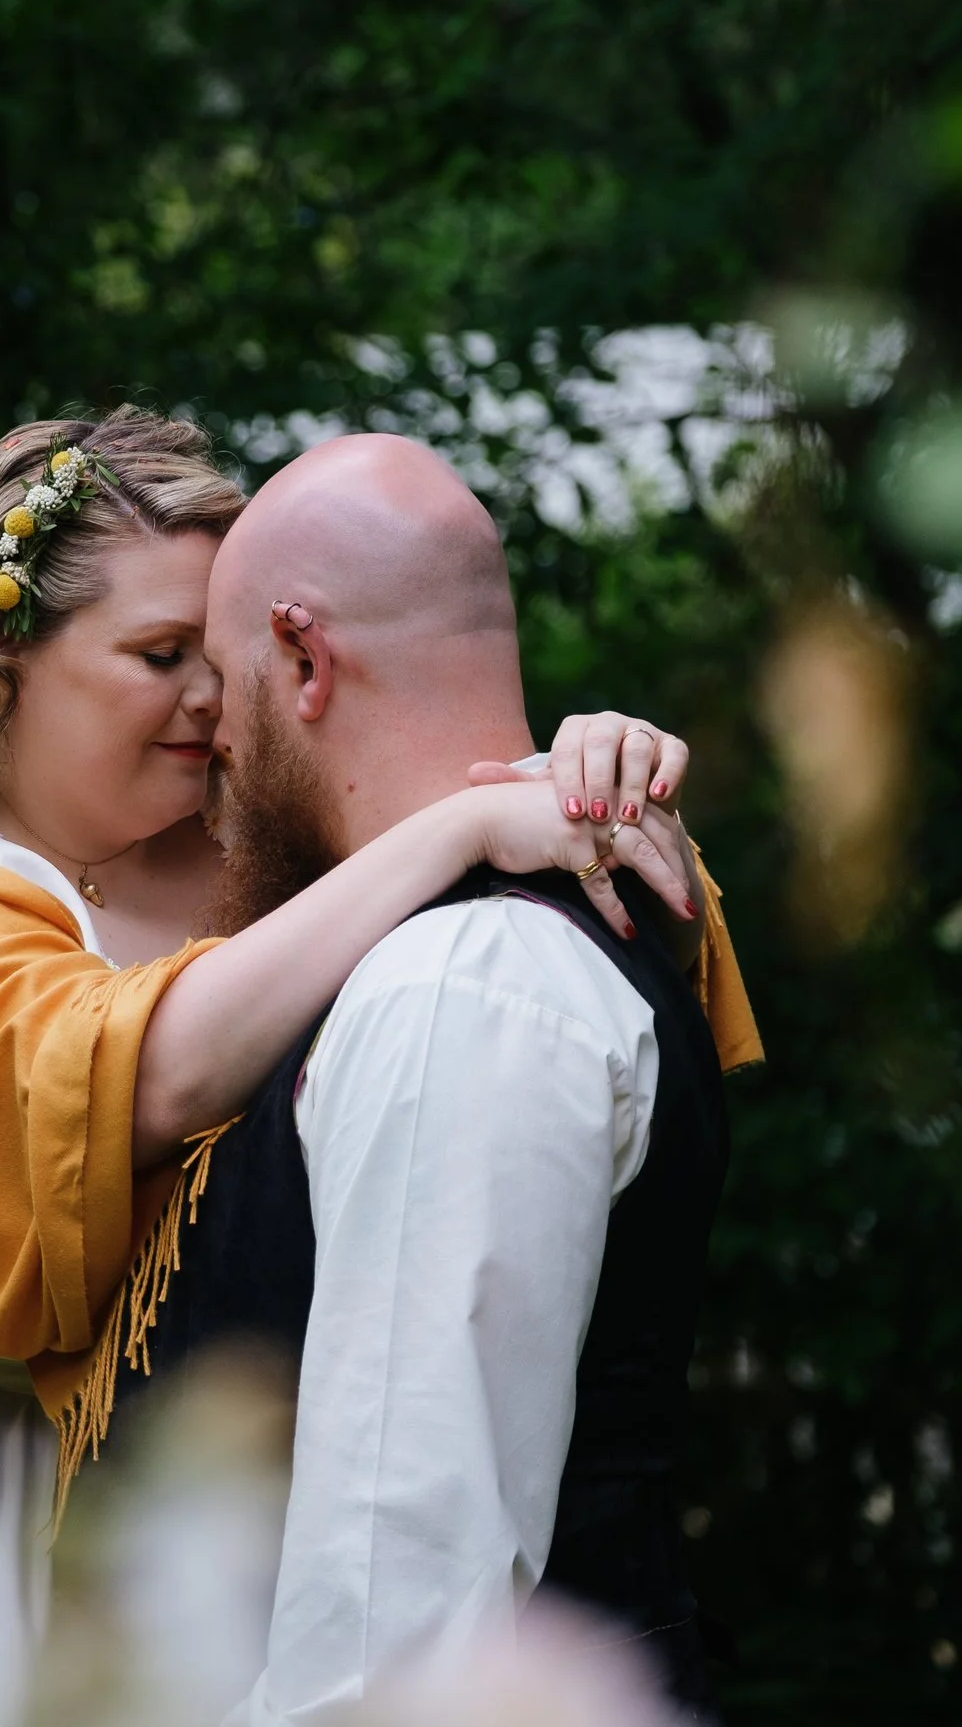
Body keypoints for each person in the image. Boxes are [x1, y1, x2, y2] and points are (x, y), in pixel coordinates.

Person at [0, 408, 759, 1727]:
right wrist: (465, 818)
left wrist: (583, 786)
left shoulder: (251, 869)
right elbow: (124, 1078)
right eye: (165, 654)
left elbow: (483, 898)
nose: (213, 700)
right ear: (1, 654)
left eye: (220, 654)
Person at [145, 431, 751, 1719]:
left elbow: (394, 1606)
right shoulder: (541, 930)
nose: (213, 744)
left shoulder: (460, 988)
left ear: (303, 658)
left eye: (222, 682)